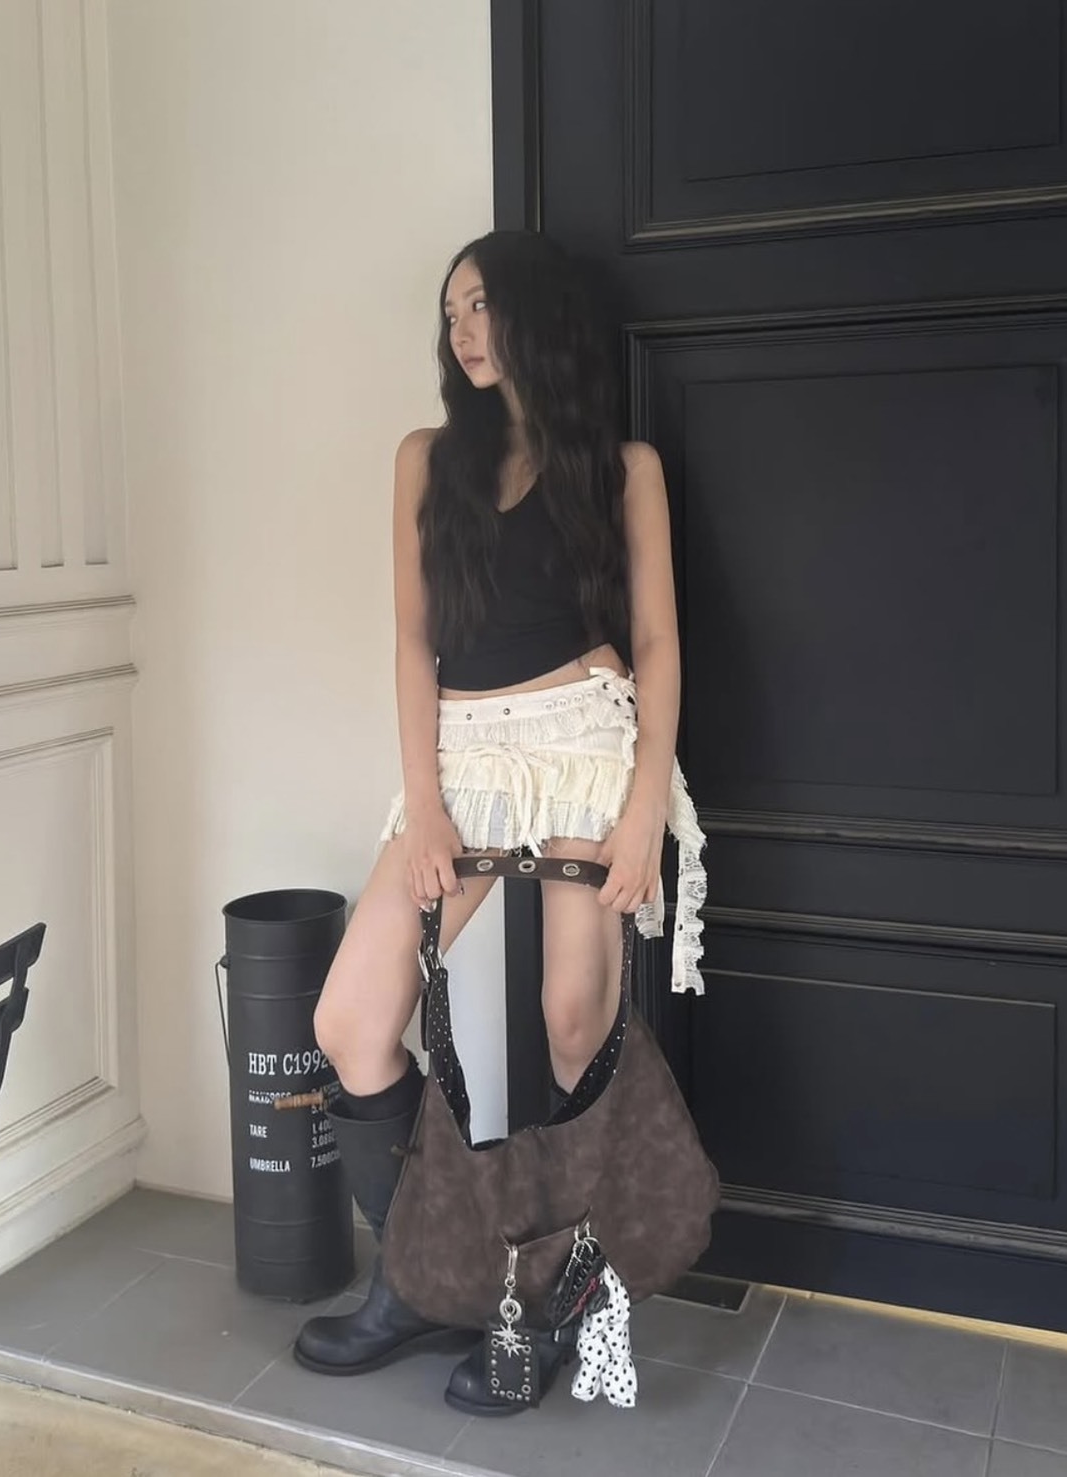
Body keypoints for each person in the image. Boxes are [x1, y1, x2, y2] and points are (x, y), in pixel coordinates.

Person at [293, 230, 705, 1414]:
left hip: (585, 739)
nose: (463, 330)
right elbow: (412, 642)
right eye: (451, 313)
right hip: (462, 754)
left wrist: (643, 808)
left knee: (574, 1019)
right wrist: (423, 804)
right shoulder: (426, 460)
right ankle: (426, 1278)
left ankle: (559, 1298)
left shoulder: (622, 468)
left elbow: (659, 641)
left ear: (536, 316)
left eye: (481, 305)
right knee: (350, 1018)